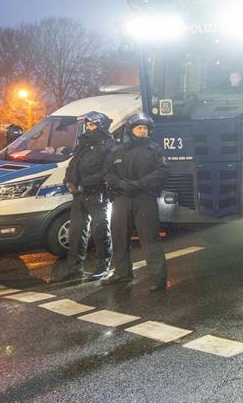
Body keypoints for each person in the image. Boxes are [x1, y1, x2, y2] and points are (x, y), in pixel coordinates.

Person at [103, 113, 169, 291]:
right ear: (131, 130)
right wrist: (120, 184)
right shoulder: (118, 150)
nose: (142, 131)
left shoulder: (154, 150)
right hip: (122, 199)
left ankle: (158, 278)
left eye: (145, 128)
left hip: (144, 199)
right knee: (120, 238)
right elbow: (108, 172)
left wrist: (138, 184)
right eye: (139, 128)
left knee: (150, 239)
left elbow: (161, 173)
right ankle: (122, 273)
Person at [60, 111, 116, 281]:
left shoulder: (109, 144)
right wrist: (68, 181)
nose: (88, 128)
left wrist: (87, 183)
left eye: (92, 125)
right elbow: (73, 165)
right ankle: (74, 268)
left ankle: (103, 265)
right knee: (76, 232)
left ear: (100, 126)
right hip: (79, 194)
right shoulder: (83, 143)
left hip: (98, 193)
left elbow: (108, 171)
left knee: (100, 231)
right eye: (87, 125)